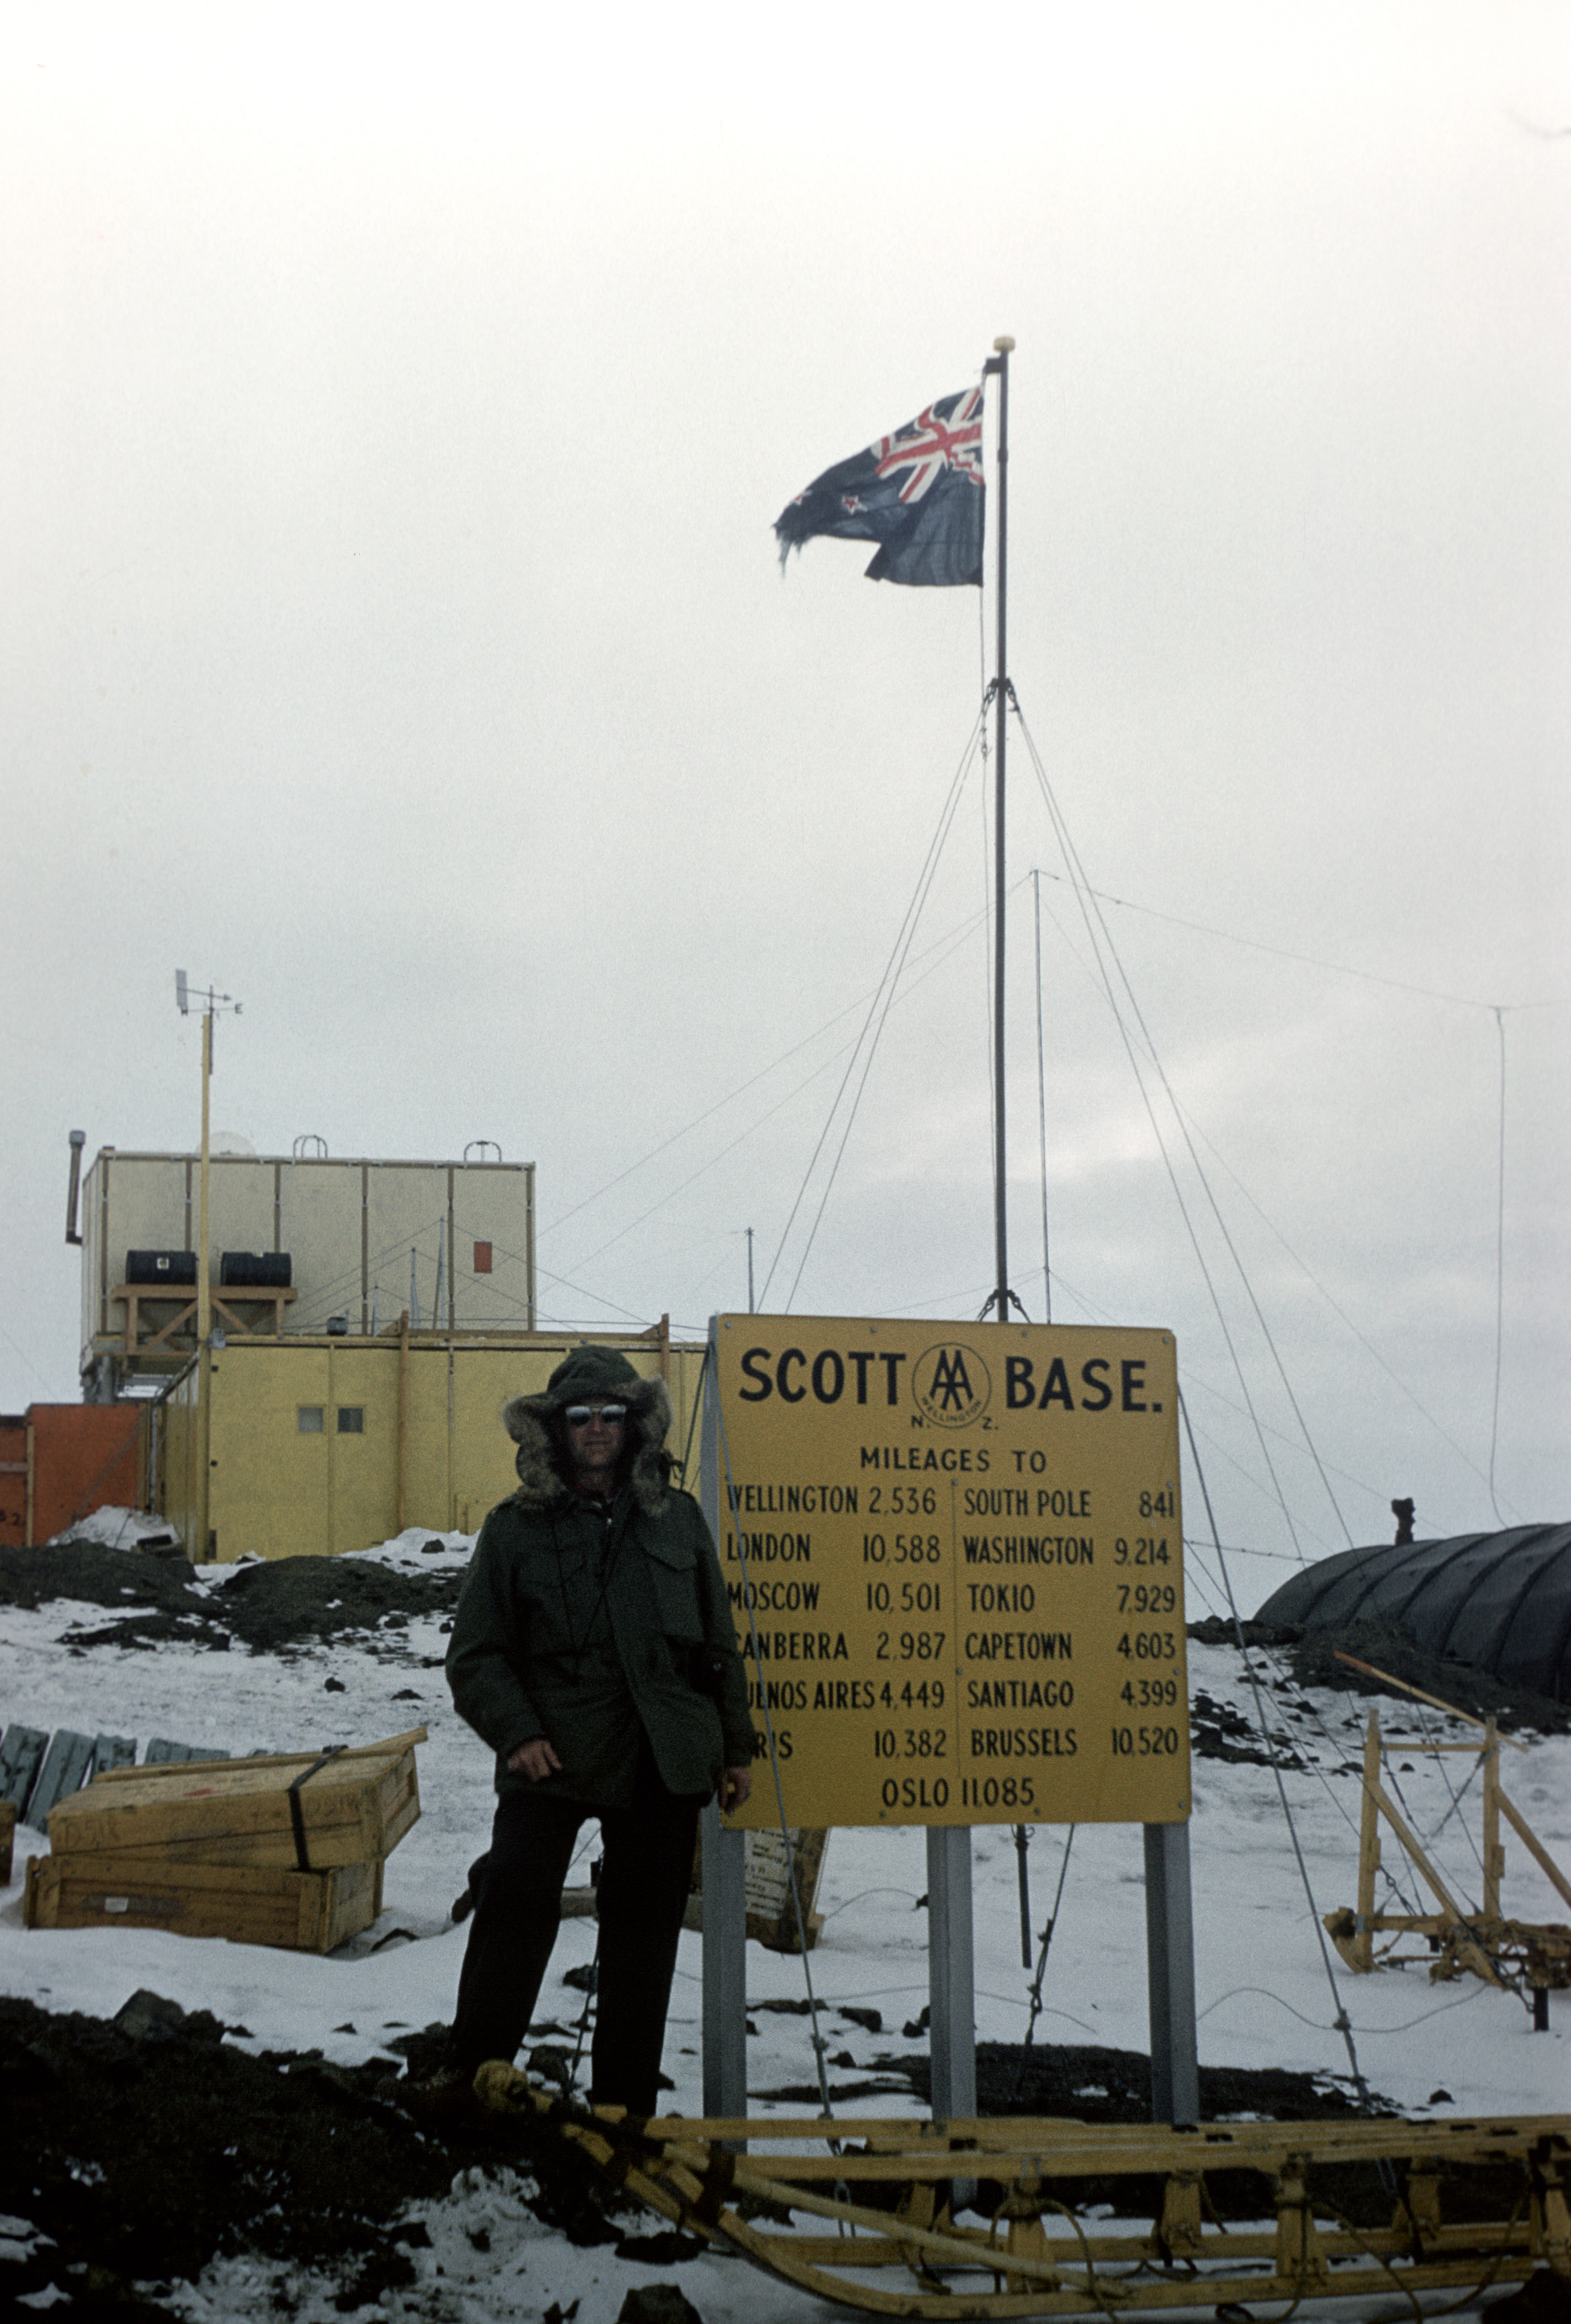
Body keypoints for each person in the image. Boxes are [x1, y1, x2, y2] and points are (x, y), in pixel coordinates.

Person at [439, 1345, 753, 2118]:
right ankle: (472, 2080)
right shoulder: (513, 1528)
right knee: (514, 1895)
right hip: (553, 1752)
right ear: (553, 1429)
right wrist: (517, 1735)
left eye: (613, 1416)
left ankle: (624, 2111)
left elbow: (718, 1643)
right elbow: (476, 1656)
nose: (597, 1430)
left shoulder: (676, 1517)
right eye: (580, 1417)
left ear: (636, 1425)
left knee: (643, 1937)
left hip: (662, 1754)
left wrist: (736, 1747)